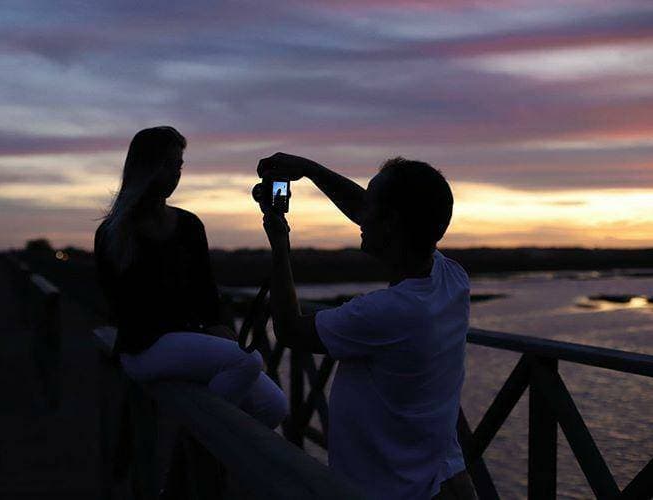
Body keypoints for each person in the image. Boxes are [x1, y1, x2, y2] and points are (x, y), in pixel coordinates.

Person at [254, 153, 476, 499]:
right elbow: (374, 213)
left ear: (391, 223)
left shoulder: (387, 312)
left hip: (387, 489)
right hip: (435, 477)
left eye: (372, 206)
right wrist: (310, 171)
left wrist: (279, 245)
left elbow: (289, 330)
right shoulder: (452, 279)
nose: (360, 215)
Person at [94, 127, 287, 429]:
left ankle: (208, 448)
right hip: (144, 347)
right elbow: (123, 306)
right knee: (247, 361)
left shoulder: (188, 224)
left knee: (275, 406)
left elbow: (205, 292)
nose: (175, 174)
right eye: (168, 165)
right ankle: (194, 442)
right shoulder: (114, 233)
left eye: (179, 165)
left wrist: (218, 329)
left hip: (189, 340)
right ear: (146, 167)